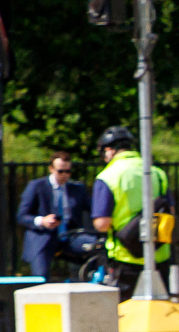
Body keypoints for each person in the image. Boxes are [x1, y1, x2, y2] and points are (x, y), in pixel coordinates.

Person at [89, 126, 167, 297]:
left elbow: (102, 224)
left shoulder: (108, 176)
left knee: (125, 315)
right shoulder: (157, 173)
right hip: (159, 255)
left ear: (109, 150)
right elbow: (170, 211)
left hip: (125, 257)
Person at [16, 152, 89, 277]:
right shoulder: (36, 186)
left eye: (68, 171)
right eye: (61, 171)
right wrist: (42, 221)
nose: (65, 175)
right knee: (40, 276)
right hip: (43, 236)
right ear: (51, 169)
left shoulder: (77, 189)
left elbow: (93, 209)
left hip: (69, 235)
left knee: (97, 247)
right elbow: (21, 216)